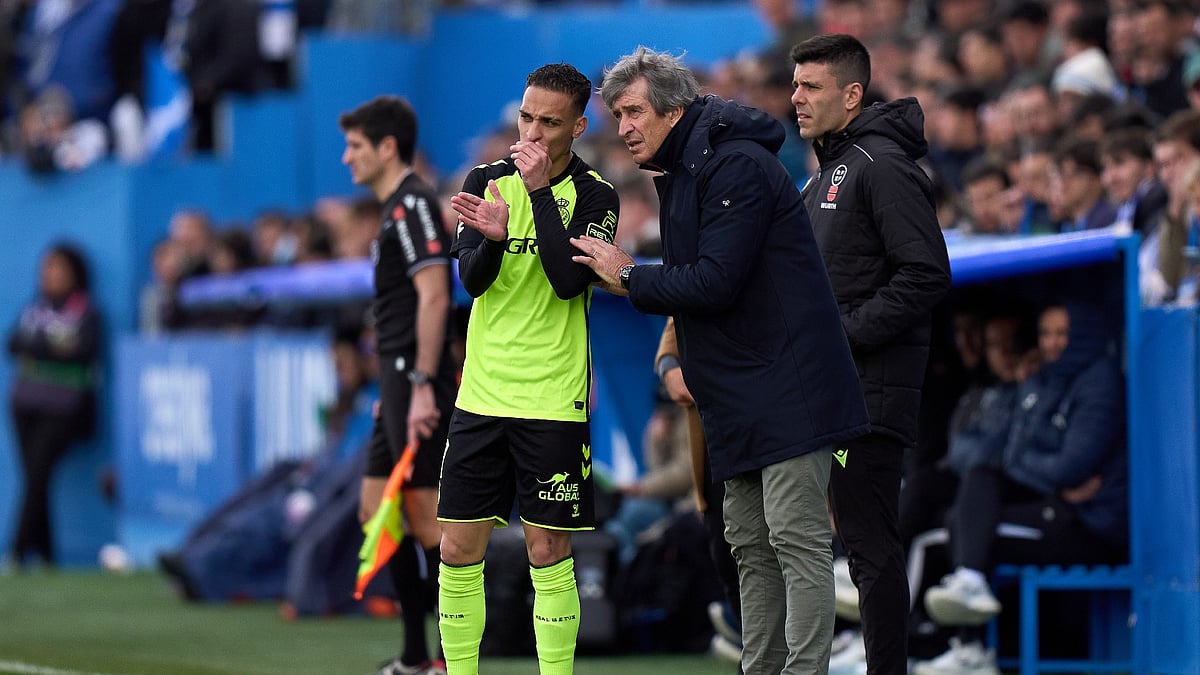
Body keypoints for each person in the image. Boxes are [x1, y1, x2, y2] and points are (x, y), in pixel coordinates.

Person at [574, 45, 870, 675]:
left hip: (789, 387)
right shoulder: (686, 173)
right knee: (750, 547)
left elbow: (713, 283)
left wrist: (625, 272)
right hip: (737, 393)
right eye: (616, 115)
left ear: (673, 109)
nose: (621, 128)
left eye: (631, 112)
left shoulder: (733, 167)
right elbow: (696, 287)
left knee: (797, 541)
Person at [437, 63, 620, 675]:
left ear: (578, 125)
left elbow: (569, 282)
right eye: (526, 118)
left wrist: (539, 194)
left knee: (548, 549)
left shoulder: (597, 195)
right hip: (482, 395)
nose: (533, 133)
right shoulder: (486, 180)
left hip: (551, 398)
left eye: (549, 122)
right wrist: (490, 237)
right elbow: (472, 282)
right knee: (457, 548)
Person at [790, 33, 952, 675]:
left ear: (852, 95)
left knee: (870, 546)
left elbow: (926, 274)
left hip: (869, 393)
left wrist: (843, 334)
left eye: (811, 87)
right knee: (838, 544)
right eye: (795, 84)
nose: (795, 98)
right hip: (833, 390)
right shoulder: (831, 169)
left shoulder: (880, 165)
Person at [912, 302, 1128, 675]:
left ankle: (967, 645)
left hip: (1087, 523)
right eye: (1046, 333)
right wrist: (1031, 391)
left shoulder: (1100, 381)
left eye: (1062, 333)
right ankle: (969, 625)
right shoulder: (1042, 379)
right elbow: (1010, 456)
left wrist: (1052, 480)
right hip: (1059, 505)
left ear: (1082, 334)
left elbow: (1071, 465)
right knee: (975, 489)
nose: (1053, 343)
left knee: (959, 524)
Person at [339, 95, 458, 675]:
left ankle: (445, 658)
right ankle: (416, 656)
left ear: (388, 147)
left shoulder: (413, 205)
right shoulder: (394, 209)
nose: (346, 159)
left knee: (424, 517)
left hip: (416, 379)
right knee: (374, 511)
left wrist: (418, 385)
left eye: (355, 146)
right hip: (397, 382)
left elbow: (436, 295)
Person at [6, 243, 101, 569]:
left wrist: (42, 346)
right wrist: (54, 344)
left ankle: (17, 552)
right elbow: (14, 343)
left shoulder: (85, 310)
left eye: (60, 269)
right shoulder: (35, 309)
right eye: (47, 268)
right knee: (35, 477)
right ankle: (46, 556)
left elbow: (83, 350)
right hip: (25, 404)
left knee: (37, 475)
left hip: (64, 408)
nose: (52, 275)